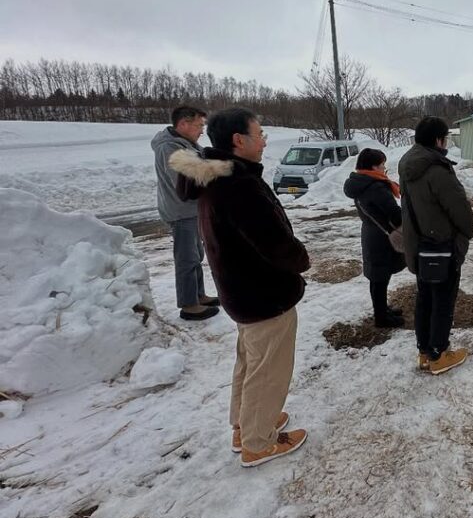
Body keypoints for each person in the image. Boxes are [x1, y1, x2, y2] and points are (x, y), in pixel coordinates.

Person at [169, 108, 309, 467]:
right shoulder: (239, 185)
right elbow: (273, 243)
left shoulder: (217, 179)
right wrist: (300, 260)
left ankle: (244, 425)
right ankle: (258, 442)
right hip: (264, 293)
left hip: (241, 290)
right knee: (268, 369)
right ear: (238, 140)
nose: (264, 141)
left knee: (250, 360)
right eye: (259, 134)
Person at [398, 116, 473, 375]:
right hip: (443, 247)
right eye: (446, 139)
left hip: (419, 246)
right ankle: (439, 354)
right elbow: (461, 213)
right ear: (438, 140)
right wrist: (468, 231)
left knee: (425, 299)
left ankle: (424, 351)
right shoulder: (436, 170)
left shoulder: (408, 165)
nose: (446, 144)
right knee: (443, 302)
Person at [151, 105, 219, 321]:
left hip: (190, 210)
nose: (202, 130)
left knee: (196, 255)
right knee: (186, 258)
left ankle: (198, 295)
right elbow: (185, 182)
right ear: (183, 124)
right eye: (199, 125)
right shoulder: (171, 148)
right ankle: (189, 305)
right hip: (182, 212)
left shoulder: (185, 144)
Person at [343, 148, 406, 328]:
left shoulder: (361, 182)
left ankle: (382, 310)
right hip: (381, 238)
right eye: (382, 165)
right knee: (380, 278)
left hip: (372, 234)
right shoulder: (375, 187)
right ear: (372, 166)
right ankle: (382, 318)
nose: (384, 168)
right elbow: (394, 215)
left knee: (378, 277)